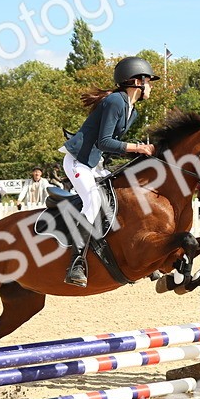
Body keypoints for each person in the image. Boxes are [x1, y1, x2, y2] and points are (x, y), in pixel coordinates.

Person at [60, 56, 159, 286]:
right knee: (94, 201)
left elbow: (112, 145)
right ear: (137, 82)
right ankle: (76, 262)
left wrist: (137, 152)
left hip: (94, 164)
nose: (150, 86)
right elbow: (105, 142)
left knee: (119, 197)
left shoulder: (131, 111)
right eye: (149, 81)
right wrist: (138, 147)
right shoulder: (116, 101)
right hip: (78, 162)